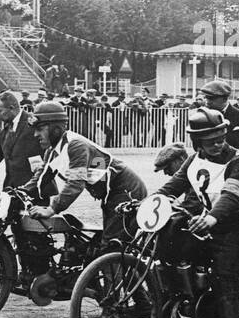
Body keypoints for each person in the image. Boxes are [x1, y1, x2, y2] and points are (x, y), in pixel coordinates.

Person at [155, 108, 239, 318]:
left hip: (236, 228)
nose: (216, 144)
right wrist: (149, 202)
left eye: (220, 137)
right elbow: (171, 187)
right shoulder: (193, 160)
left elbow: (231, 196)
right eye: (208, 139)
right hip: (207, 227)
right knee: (169, 261)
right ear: (197, 141)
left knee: (225, 280)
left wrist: (212, 218)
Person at [18, 100, 147, 247]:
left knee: (112, 243)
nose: (35, 134)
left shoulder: (76, 146)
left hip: (126, 190)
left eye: (40, 129)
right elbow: (41, 177)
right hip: (110, 193)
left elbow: (75, 183)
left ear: (55, 129)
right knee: (102, 240)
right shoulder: (52, 150)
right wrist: (21, 192)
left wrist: (52, 209)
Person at [198, 79, 239, 157]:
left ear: (225, 99)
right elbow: (197, 145)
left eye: (211, 98)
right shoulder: (202, 116)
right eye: (206, 97)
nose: (207, 101)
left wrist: (238, 160)